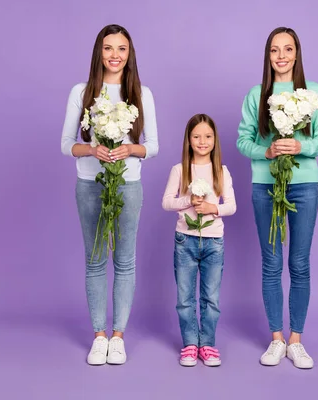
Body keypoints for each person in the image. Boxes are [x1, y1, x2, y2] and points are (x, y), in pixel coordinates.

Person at [60, 24, 158, 365]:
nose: (114, 55)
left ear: (129, 55)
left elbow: (153, 146)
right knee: (95, 258)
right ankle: (98, 336)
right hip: (89, 186)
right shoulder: (82, 91)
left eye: (121, 49)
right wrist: (92, 151)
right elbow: (65, 145)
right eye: (108, 48)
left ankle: (118, 336)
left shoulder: (141, 93)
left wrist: (130, 148)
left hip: (128, 186)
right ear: (98, 53)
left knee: (125, 260)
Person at [236, 27, 318, 369]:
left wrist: (300, 147)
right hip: (265, 186)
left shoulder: (313, 92)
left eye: (287, 49)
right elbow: (242, 141)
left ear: (297, 53)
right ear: (268, 56)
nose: (281, 56)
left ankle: (296, 341)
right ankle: (276, 339)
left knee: (300, 263)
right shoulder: (256, 95)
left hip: (304, 186)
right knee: (271, 262)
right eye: (275, 50)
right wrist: (267, 151)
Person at [162, 114, 236, 367]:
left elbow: (232, 206)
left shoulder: (221, 171)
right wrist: (188, 202)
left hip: (214, 242)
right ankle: (190, 344)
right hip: (185, 240)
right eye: (196, 137)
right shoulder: (179, 170)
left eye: (207, 136)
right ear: (188, 140)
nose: (202, 141)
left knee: (211, 298)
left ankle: (208, 344)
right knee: (185, 298)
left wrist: (212, 208)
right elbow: (166, 202)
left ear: (215, 140)